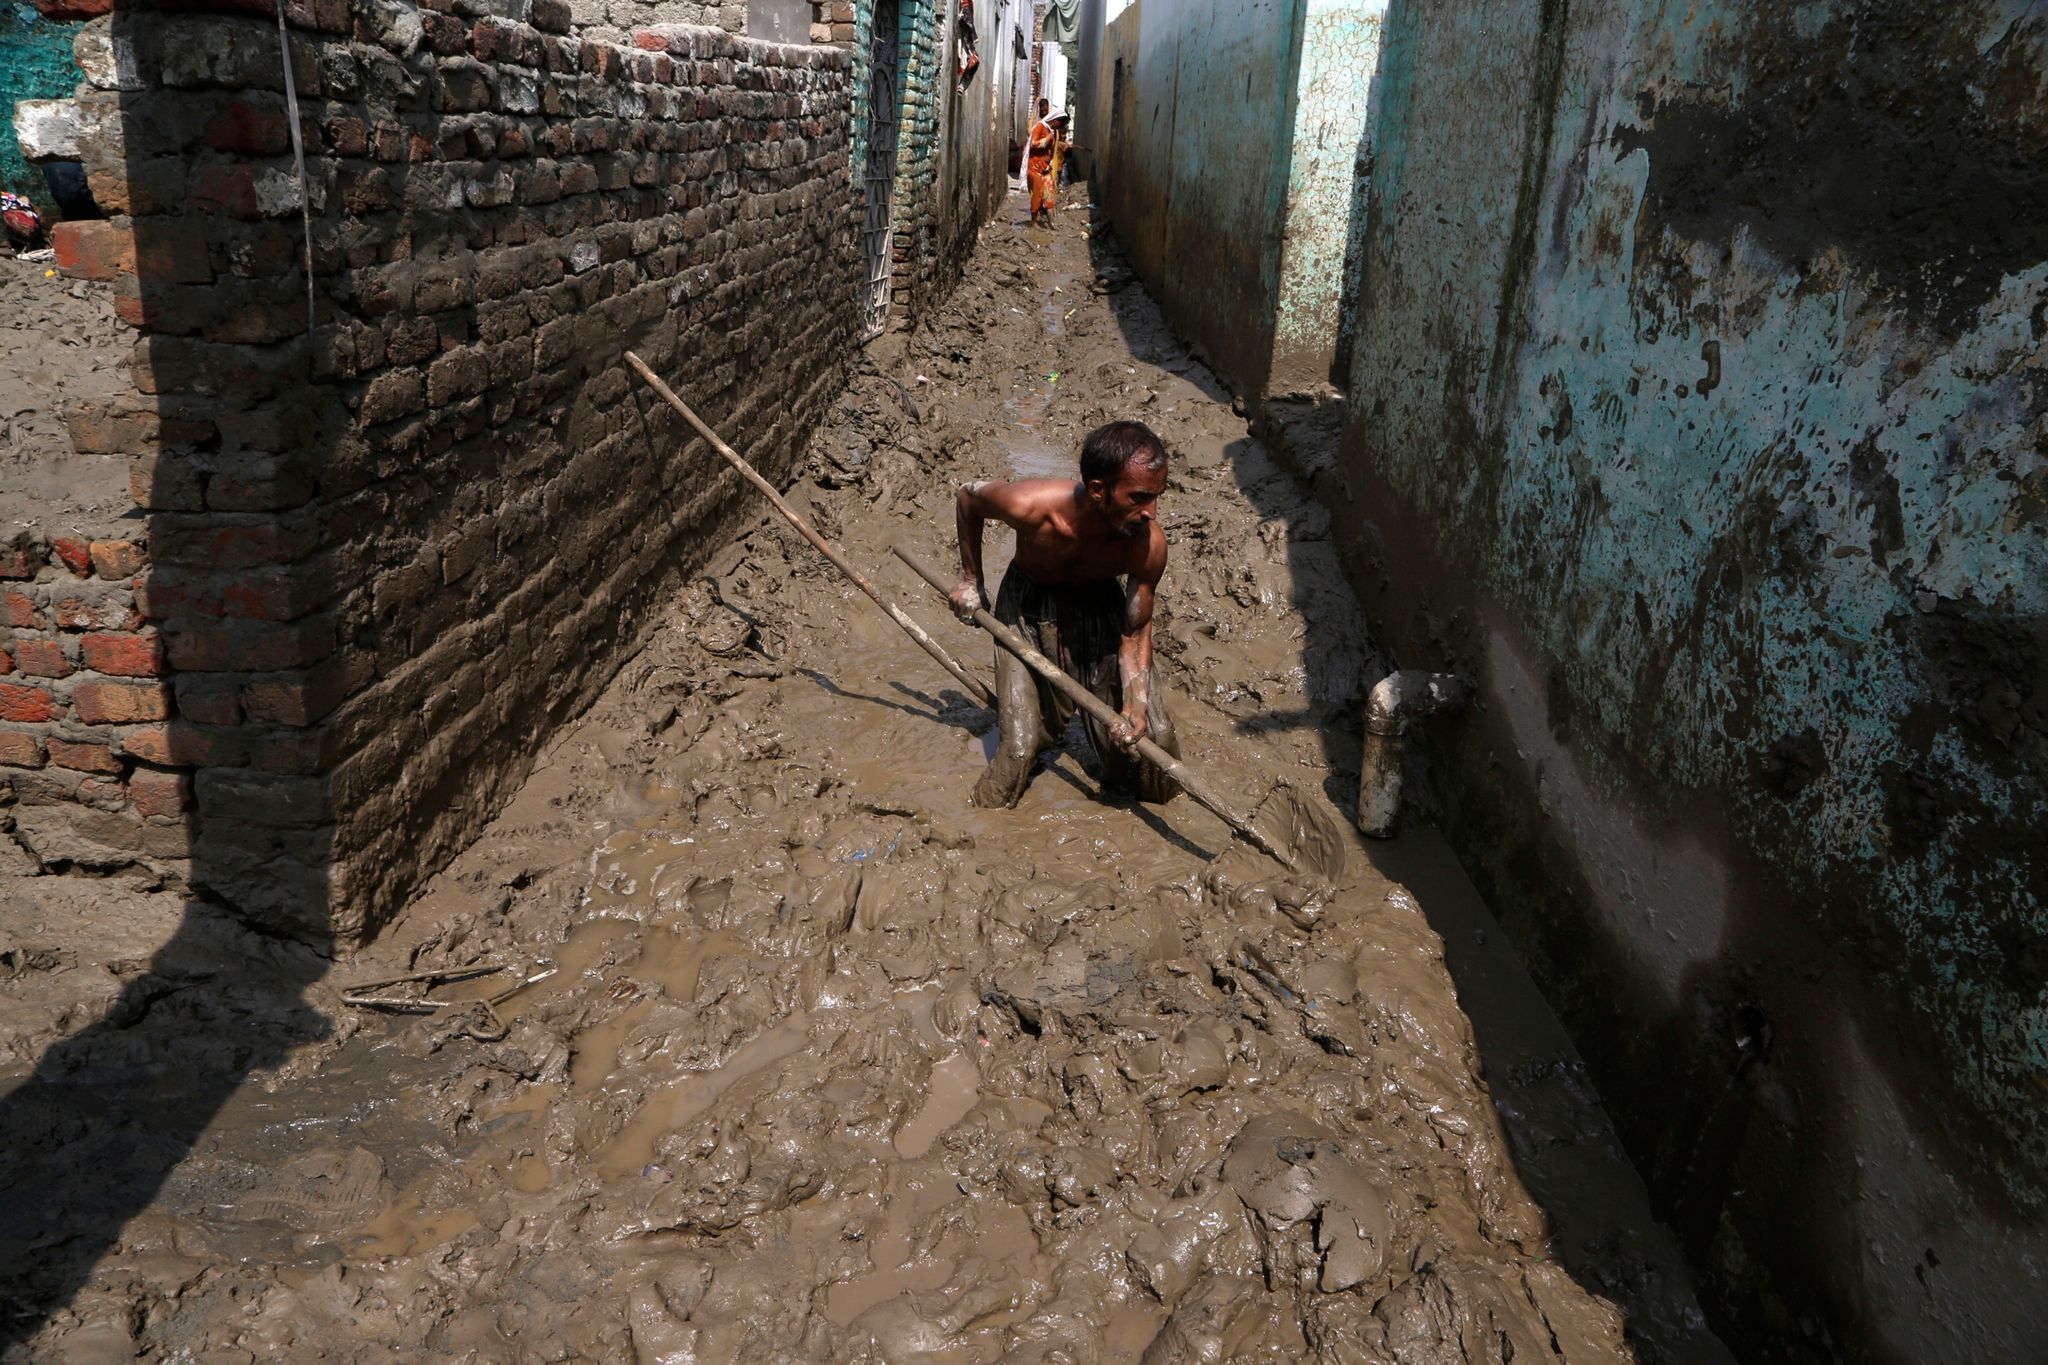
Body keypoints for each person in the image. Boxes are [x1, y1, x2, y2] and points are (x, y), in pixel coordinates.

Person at [949, 421, 1182, 809]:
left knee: (1152, 742)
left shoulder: (1147, 545)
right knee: (1020, 750)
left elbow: (1136, 630)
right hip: (1027, 609)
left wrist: (1136, 702)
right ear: (1097, 490)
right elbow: (968, 498)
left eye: (1157, 497)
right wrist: (972, 580)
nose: (1151, 513)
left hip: (1099, 609)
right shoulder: (1032, 506)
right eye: (1139, 497)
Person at [1027, 104, 1069, 226]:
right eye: (1060, 124)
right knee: (1037, 196)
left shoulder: (1052, 131)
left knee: (1049, 196)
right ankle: (1033, 223)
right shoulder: (1040, 127)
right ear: (1055, 120)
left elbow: (1050, 152)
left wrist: (1050, 163)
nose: (1060, 127)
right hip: (1034, 168)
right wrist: (1048, 138)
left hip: (1045, 169)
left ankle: (1051, 224)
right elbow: (1033, 144)